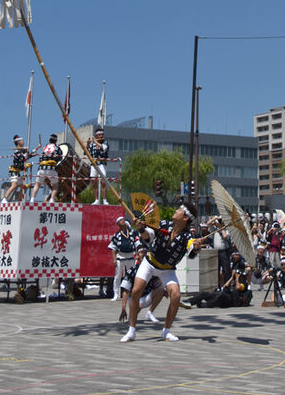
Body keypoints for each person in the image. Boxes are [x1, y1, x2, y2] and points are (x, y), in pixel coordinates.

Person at [120, 201, 206, 342]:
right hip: (150, 262)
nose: (175, 211)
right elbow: (148, 236)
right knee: (136, 291)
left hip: (167, 270)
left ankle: (166, 331)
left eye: (179, 210)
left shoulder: (187, 237)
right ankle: (131, 330)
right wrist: (141, 228)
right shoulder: (164, 224)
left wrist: (196, 247)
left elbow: (191, 250)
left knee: (176, 295)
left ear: (185, 218)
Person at [2, 134, 40, 203]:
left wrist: (37, 148)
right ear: (18, 142)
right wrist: (26, 159)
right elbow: (22, 160)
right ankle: (4, 199)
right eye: (22, 140)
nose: (23, 142)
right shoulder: (17, 151)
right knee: (14, 185)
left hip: (18, 173)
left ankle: (18, 200)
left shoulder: (22, 151)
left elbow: (29, 155)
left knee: (23, 186)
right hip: (13, 171)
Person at [109, 216, 137, 302]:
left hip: (131, 256)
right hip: (120, 257)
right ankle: (116, 294)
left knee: (132, 275)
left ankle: (132, 293)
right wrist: (114, 259)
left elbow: (137, 243)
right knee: (117, 276)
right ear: (118, 224)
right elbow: (112, 248)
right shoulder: (116, 235)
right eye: (121, 220)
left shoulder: (132, 232)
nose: (123, 221)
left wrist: (137, 254)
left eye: (123, 220)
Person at [30, 134, 63, 202]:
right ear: (56, 140)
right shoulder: (57, 148)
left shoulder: (45, 148)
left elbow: (40, 158)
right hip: (51, 169)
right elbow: (60, 158)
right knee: (55, 185)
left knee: (37, 184)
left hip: (41, 168)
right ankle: (52, 199)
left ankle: (32, 199)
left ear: (49, 140)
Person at [86, 127, 110, 204]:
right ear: (96, 135)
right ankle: (96, 199)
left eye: (102, 134)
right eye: (99, 135)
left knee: (103, 181)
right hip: (94, 165)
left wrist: (96, 142)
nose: (101, 136)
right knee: (94, 182)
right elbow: (86, 152)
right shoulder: (92, 145)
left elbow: (104, 148)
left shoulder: (105, 142)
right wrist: (88, 144)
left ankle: (105, 200)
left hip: (102, 164)